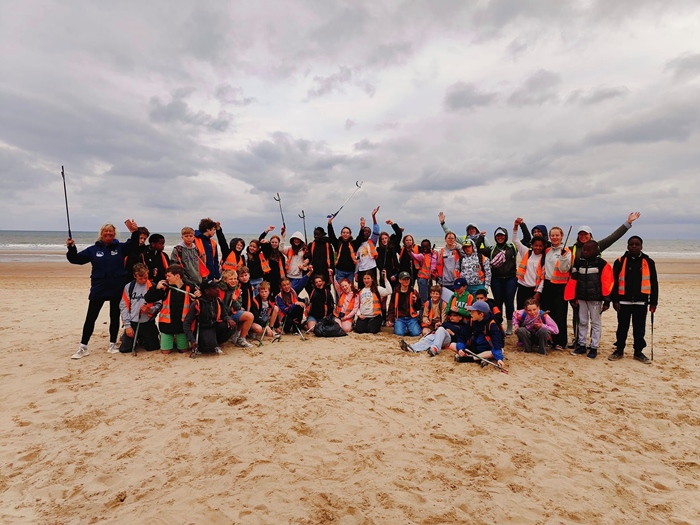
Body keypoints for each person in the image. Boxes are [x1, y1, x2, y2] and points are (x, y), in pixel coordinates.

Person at [566, 212, 641, 348]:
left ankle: (593, 344)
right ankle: (578, 340)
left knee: (594, 320)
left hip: (595, 289)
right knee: (578, 316)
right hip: (578, 288)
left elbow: (613, 237)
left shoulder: (598, 246)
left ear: (590, 235)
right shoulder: (572, 249)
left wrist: (628, 223)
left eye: (586, 234)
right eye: (581, 234)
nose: (583, 236)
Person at [67, 221, 134, 359]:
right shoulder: (93, 250)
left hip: (116, 287)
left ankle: (112, 344)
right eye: (106, 232)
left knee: (114, 316)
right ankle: (83, 346)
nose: (108, 233)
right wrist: (71, 247)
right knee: (91, 317)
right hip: (99, 288)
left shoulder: (120, 248)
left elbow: (134, 245)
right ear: (101, 234)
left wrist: (135, 231)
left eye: (111, 232)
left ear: (114, 234)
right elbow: (76, 259)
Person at [609, 236, 658, 364]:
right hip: (623, 302)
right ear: (627, 246)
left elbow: (654, 283)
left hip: (641, 303)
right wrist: (614, 300)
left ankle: (638, 352)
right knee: (622, 328)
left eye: (637, 244)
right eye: (631, 244)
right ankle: (619, 350)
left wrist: (653, 302)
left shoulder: (649, 262)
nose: (634, 246)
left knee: (639, 328)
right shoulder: (619, 261)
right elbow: (613, 283)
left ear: (641, 246)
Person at [565, 240, 614, 359]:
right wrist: (572, 298)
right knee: (582, 321)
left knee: (595, 322)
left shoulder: (602, 264)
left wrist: (607, 301)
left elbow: (607, 282)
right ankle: (581, 345)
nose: (585, 252)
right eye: (584, 250)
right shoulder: (579, 263)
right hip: (581, 297)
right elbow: (573, 281)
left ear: (596, 251)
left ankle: (594, 347)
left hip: (595, 298)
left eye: (588, 250)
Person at [145, 264, 200, 355]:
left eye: (169, 276)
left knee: (183, 350)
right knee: (166, 352)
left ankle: (176, 341)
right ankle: (170, 340)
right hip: (167, 326)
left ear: (177, 276)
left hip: (182, 327)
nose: (167, 278)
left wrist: (198, 296)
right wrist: (156, 288)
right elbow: (148, 298)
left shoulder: (189, 288)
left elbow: (200, 301)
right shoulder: (165, 288)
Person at [481, 225, 521, 335]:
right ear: (495, 237)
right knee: (498, 303)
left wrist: (520, 225)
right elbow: (476, 248)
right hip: (496, 280)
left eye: (502, 235)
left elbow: (527, 239)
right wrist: (481, 237)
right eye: (498, 235)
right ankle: (498, 324)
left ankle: (509, 325)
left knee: (509, 302)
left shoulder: (512, 247)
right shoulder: (491, 249)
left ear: (506, 236)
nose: (500, 237)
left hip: (511, 279)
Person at [539, 226, 572, 349]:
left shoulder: (567, 251)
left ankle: (560, 342)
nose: (554, 237)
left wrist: (563, 257)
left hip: (560, 286)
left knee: (560, 314)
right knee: (547, 313)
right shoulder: (547, 250)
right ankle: (549, 339)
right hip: (547, 284)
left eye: (557, 235)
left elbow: (564, 269)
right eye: (552, 235)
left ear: (562, 236)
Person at [185, 278, 237, 355]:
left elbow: (224, 314)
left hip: (214, 325)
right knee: (209, 347)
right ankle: (206, 345)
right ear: (206, 291)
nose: (217, 289)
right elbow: (186, 323)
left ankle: (216, 343)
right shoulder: (197, 303)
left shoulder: (217, 300)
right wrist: (192, 340)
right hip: (203, 328)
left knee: (232, 326)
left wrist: (229, 319)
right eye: (214, 288)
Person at [118, 263, 161, 353]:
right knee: (125, 349)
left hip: (148, 322)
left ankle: (142, 339)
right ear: (135, 276)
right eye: (140, 278)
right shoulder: (129, 287)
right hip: (133, 323)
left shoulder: (153, 287)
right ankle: (131, 337)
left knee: (153, 347)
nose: (143, 281)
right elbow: (123, 306)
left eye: (146, 277)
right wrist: (127, 326)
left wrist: (150, 310)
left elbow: (159, 305)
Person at [454, 301, 505, 368]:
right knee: (453, 345)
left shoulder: (492, 324)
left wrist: (499, 359)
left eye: (473, 311)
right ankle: (481, 358)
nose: (470, 313)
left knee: (501, 351)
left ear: (481, 314)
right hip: (474, 346)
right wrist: (460, 349)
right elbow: (463, 336)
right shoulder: (472, 321)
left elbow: (496, 343)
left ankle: (471, 358)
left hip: (486, 349)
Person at [401, 309, 468, 356]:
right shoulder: (446, 323)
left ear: (460, 317)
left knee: (441, 330)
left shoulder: (463, 327)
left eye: (454, 315)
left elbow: (461, 340)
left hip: (449, 340)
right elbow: (438, 331)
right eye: (451, 315)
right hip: (438, 337)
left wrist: (452, 334)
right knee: (430, 338)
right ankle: (413, 348)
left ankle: (436, 348)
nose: (451, 317)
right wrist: (437, 327)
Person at [513, 218, 546, 309]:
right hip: (522, 287)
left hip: (534, 289)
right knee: (521, 311)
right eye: (536, 245)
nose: (538, 248)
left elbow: (543, 278)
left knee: (533, 313)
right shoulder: (526, 252)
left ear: (543, 247)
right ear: (532, 245)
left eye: (540, 246)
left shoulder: (544, 258)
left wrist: (538, 292)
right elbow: (515, 240)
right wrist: (516, 226)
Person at [218, 270, 254, 348]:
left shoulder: (237, 289)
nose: (233, 281)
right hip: (221, 315)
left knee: (249, 316)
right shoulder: (219, 289)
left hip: (231, 313)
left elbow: (238, 307)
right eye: (231, 279)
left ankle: (240, 339)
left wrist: (234, 301)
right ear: (225, 280)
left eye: (235, 279)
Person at [328, 216, 368, 286]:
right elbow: (331, 236)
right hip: (339, 271)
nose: (345, 234)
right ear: (341, 234)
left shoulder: (353, 244)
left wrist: (362, 228)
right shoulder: (338, 243)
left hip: (350, 271)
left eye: (347, 233)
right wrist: (329, 224)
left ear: (350, 234)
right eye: (343, 232)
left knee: (349, 290)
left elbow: (359, 238)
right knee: (339, 291)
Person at [386, 271, 422, 337]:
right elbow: (391, 308)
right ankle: (403, 328)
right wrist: (390, 320)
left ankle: (408, 328)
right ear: (399, 280)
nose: (406, 281)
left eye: (407, 279)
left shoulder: (414, 292)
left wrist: (416, 301)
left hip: (411, 318)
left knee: (416, 333)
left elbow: (418, 308)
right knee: (399, 334)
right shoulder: (395, 293)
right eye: (404, 279)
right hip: (399, 318)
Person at [435, 227, 464, 298]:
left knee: (456, 301)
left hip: (456, 280)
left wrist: (458, 247)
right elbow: (437, 264)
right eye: (449, 238)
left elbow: (465, 256)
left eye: (452, 238)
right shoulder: (441, 251)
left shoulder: (458, 250)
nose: (451, 240)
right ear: (445, 239)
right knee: (446, 301)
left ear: (455, 240)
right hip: (445, 281)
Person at [355, 207, 381, 284]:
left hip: (371, 268)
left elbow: (376, 230)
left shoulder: (371, 241)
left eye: (368, 232)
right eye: (365, 231)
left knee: (373, 288)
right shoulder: (357, 243)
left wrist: (373, 216)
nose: (367, 233)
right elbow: (357, 260)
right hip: (361, 269)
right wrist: (356, 273)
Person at [410, 239, 438, 305]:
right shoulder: (421, 256)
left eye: (426, 246)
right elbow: (413, 255)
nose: (425, 248)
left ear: (430, 246)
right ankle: (422, 314)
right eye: (423, 247)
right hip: (422, 279)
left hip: (430, 279)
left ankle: (427, 313)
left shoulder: (434, 254)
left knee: (429, 298)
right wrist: (409, 249)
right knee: (424, 300)